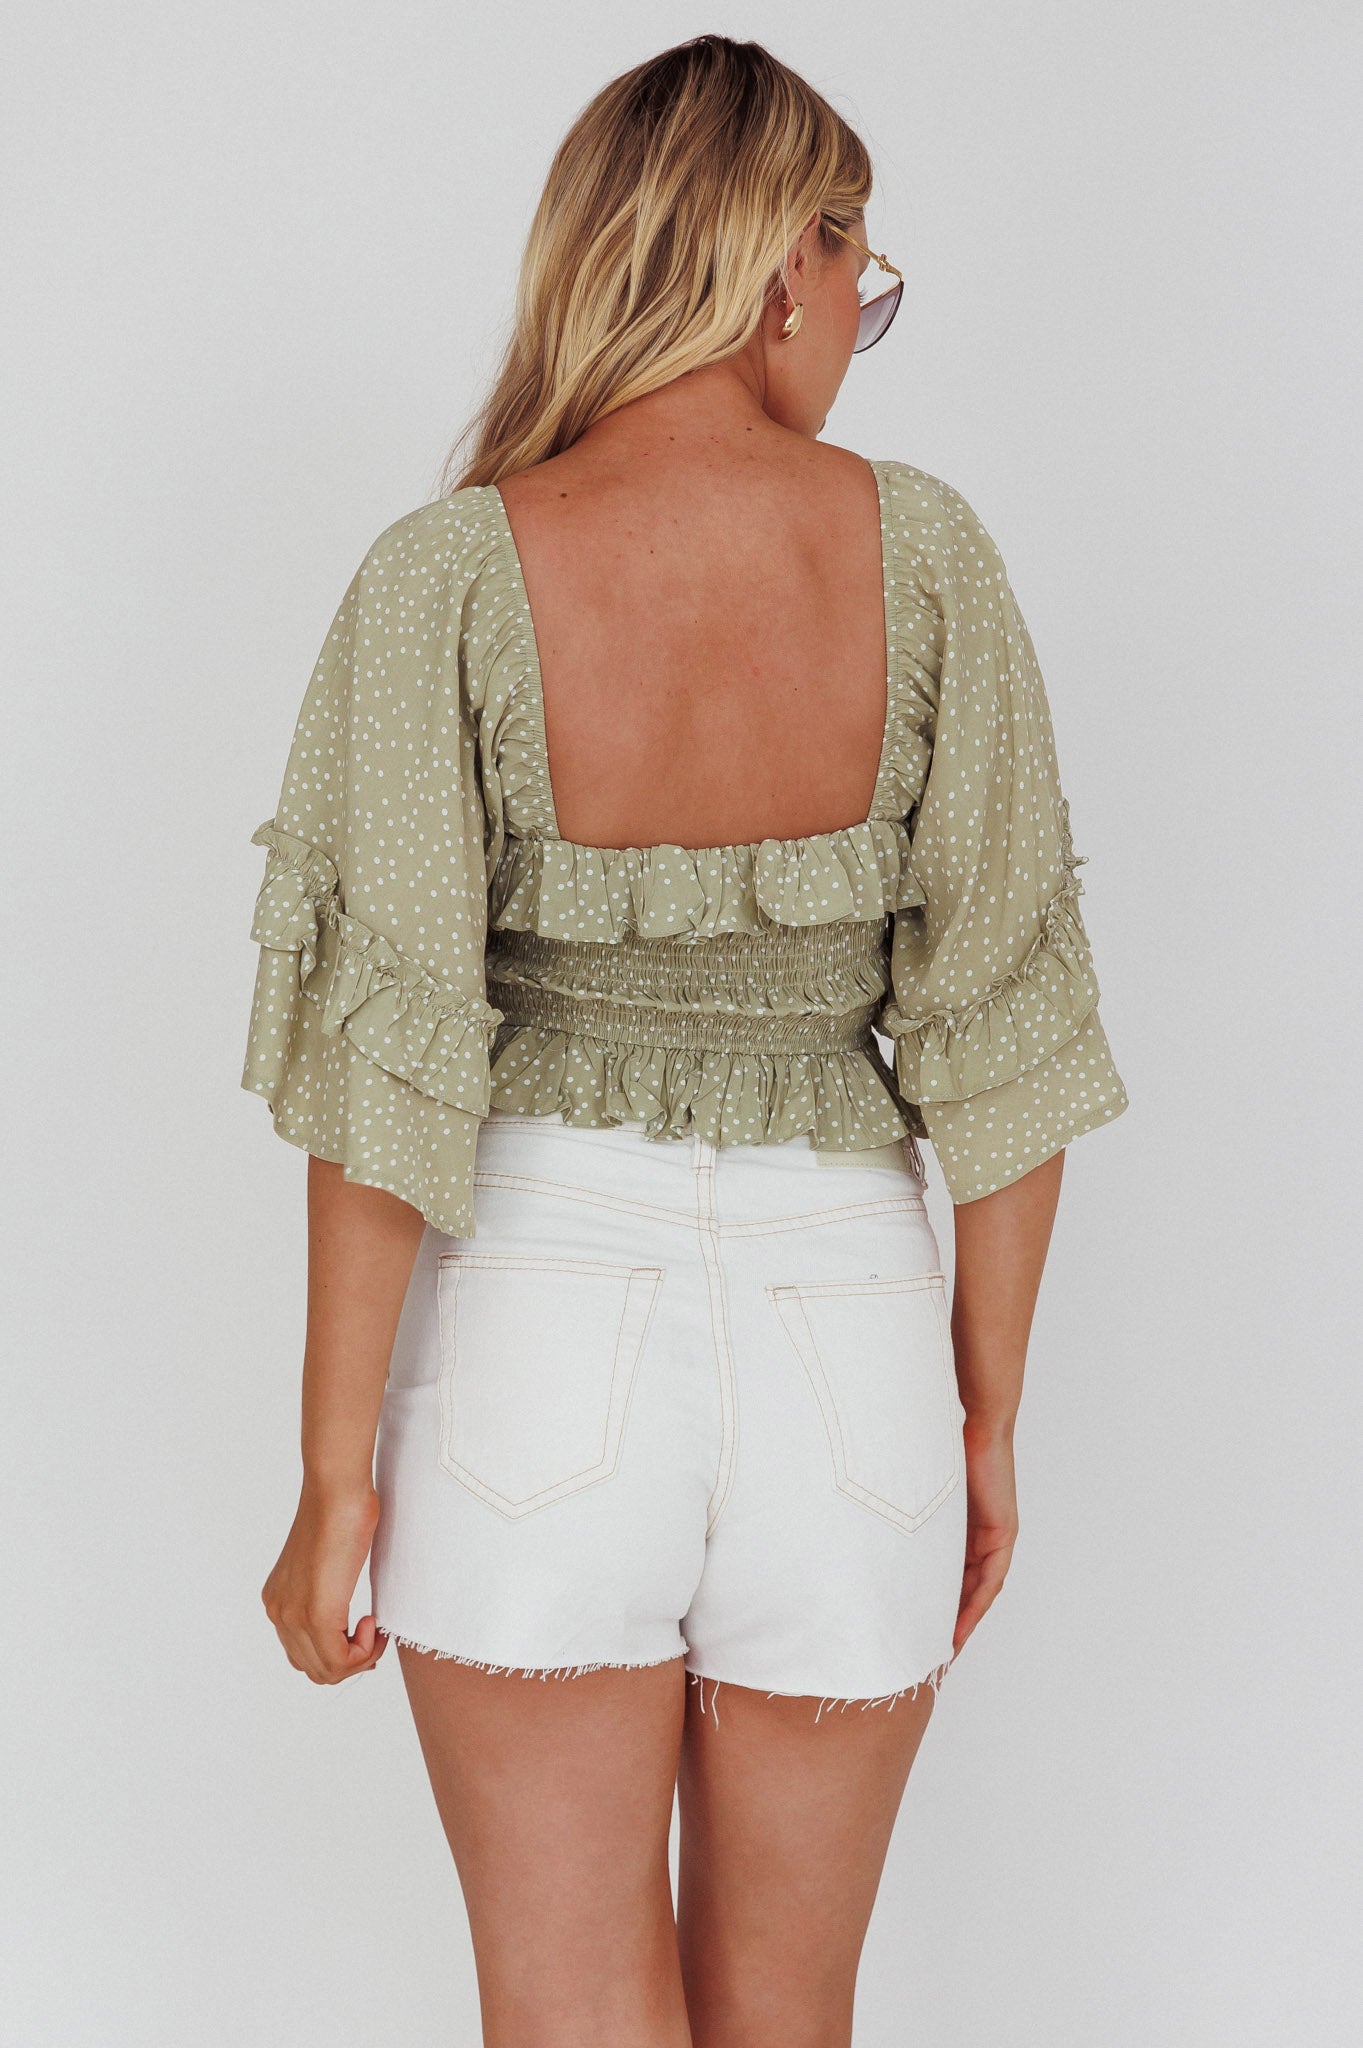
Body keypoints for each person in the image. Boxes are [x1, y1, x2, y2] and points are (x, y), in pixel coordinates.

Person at [248, 33, 1128, 2048]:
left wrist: (329, 1475)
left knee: (569, 2017)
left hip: (538, 1329)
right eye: (858, 271)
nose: (852, 322)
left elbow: (389, 1073)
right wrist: (985, 1419)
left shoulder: (451, 573)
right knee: (790, 2019)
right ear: (778, 259)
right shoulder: (927, 557)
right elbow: (1005, 1043)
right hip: (855, 1351)